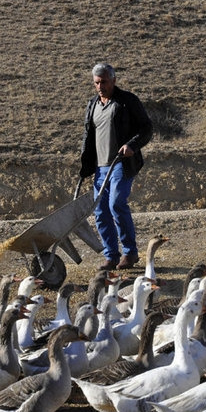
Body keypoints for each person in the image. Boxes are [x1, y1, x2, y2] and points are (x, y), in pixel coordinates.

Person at [79, 63, 153, 270]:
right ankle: (111, 256)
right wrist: (86, 165)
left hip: (121, 163)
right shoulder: (93, 105)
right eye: (96, 83)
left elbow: (147, 127)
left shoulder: (127, 101)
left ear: (113, 80)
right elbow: (88, 136)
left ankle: (130, 254)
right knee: (100, 212)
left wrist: (132, 145)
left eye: (103, 82)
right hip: (100, 167)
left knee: (116, 204)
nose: (100, 86)